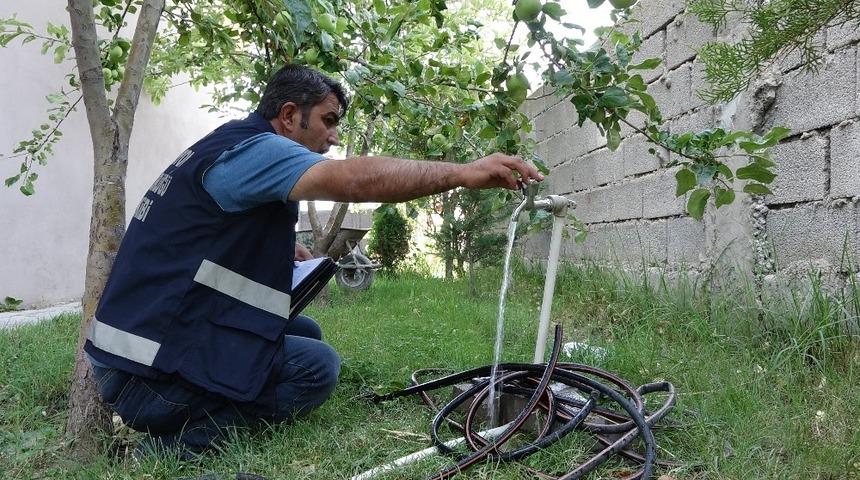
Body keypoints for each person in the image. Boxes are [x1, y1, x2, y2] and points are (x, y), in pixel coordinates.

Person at [84, 64, 543, 456]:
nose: (332, 136)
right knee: (316, 368)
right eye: (327, 120)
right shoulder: (256, 150)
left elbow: (203, 235)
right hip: (143, 373)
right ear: (288, 116)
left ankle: (201, 405)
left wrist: (279, 250)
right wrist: (462, 174)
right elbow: (358, 181)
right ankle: (180, 442)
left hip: (140, 349)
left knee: (305, 332)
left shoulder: (229, 146)